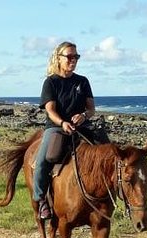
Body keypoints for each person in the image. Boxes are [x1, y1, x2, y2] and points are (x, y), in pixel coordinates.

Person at [33, 41, 98, 220]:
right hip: (57, 128)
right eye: (69, 56)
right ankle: (41, 199)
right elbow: (50, 110)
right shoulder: (51, 82)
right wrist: (62, 123)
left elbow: (91, 109)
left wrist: (84, 116)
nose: (73, 60)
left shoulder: (82, 81)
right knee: (43, 161)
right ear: (58, 58)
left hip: (81, 127)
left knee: (107, 150)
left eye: (76, 56)